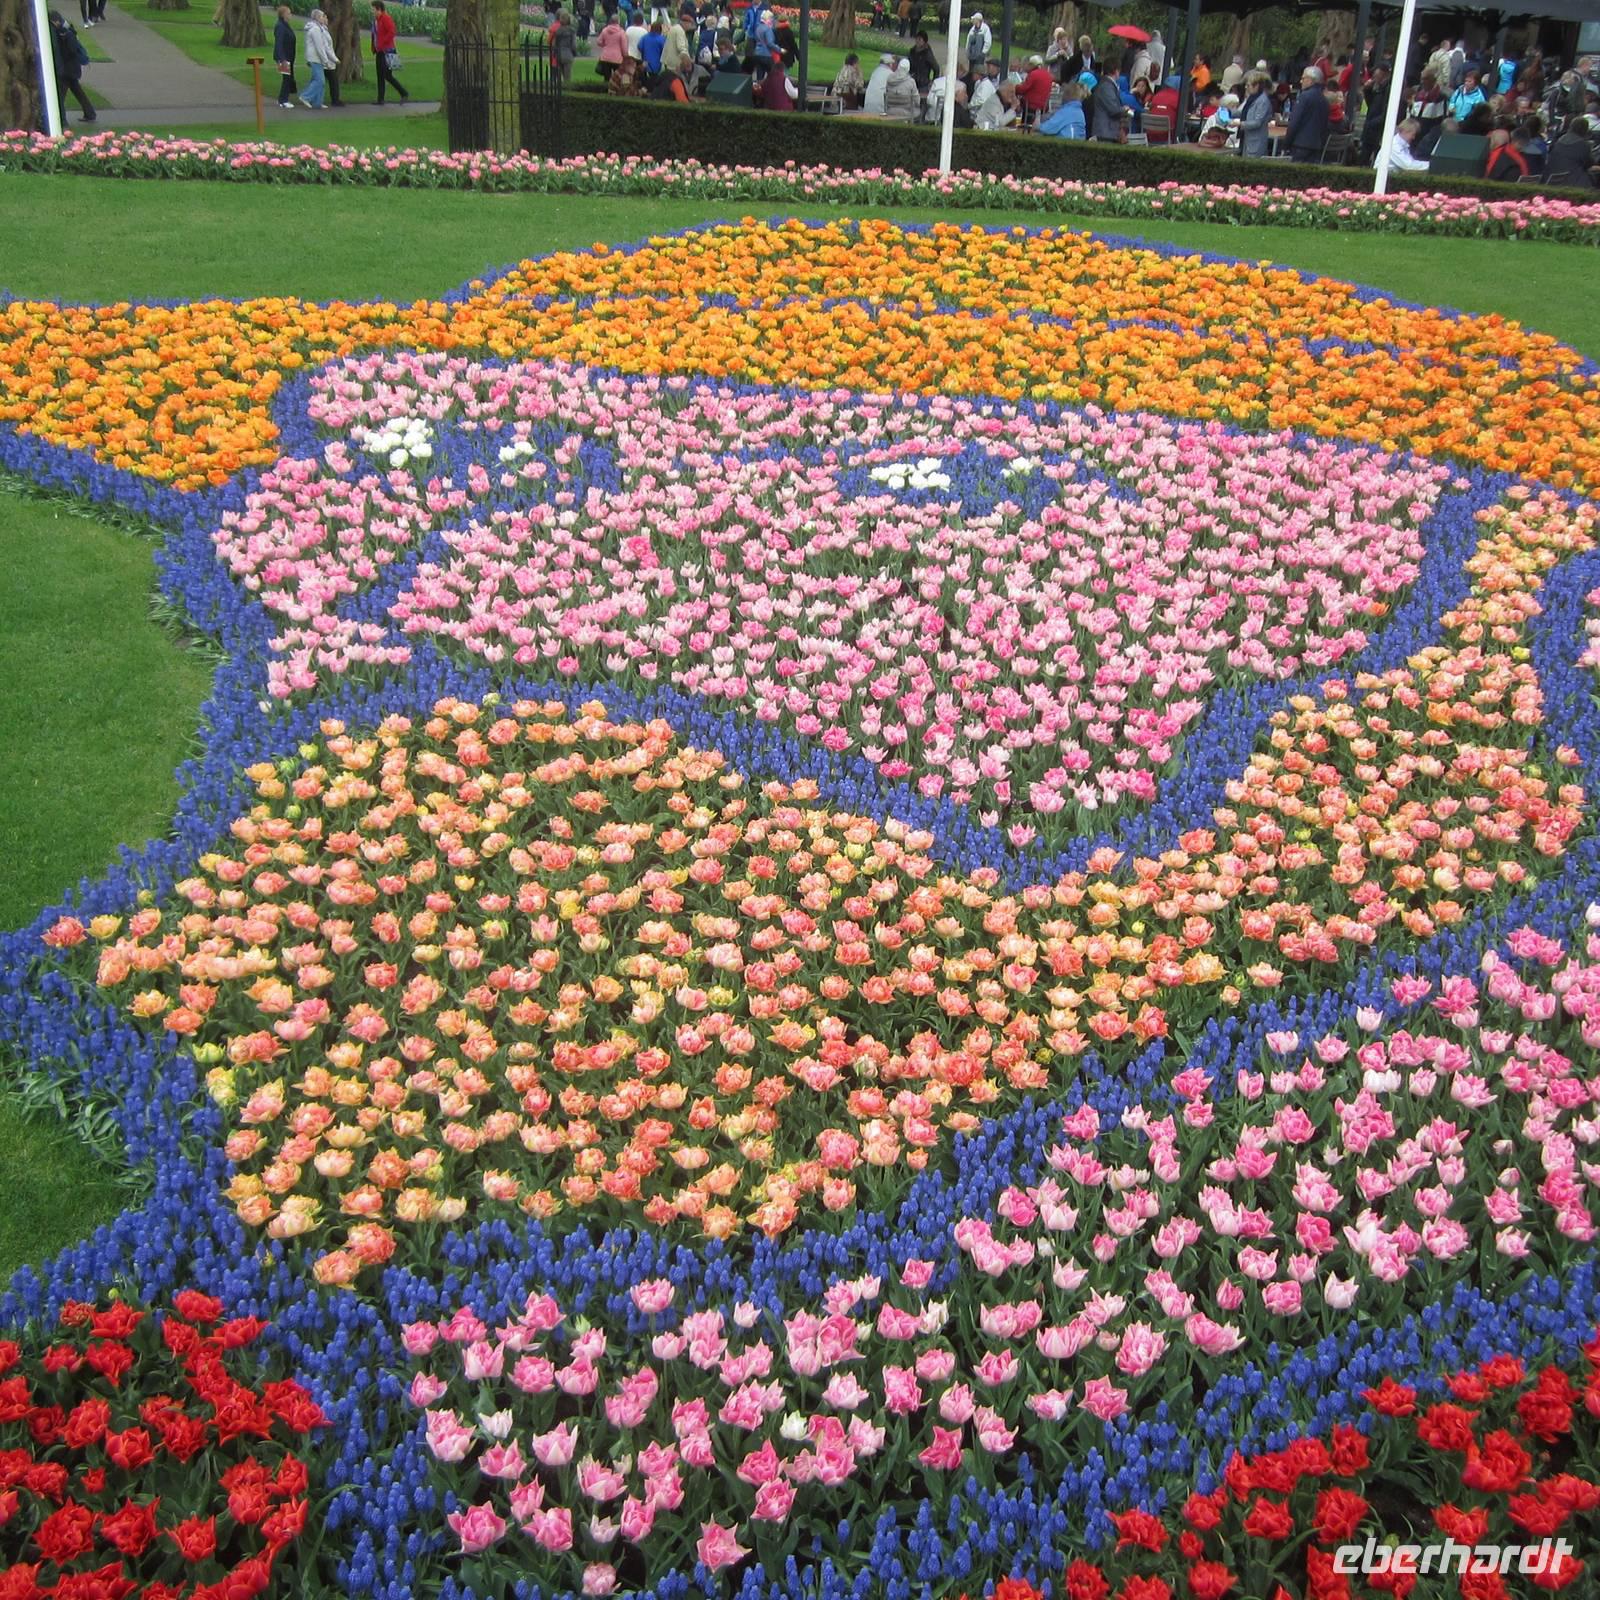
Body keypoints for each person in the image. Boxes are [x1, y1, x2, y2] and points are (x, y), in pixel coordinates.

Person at [46, 10, 94, 122]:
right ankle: (90, 113)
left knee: (61, 95)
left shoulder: (65, 33)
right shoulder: (66, 31)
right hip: (71, 68)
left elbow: (71, 50)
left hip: (68, 69)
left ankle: (62, 120)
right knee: (77, 91)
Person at [1286, 63, 1329, 160]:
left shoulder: (1304, 97)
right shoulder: (1324, 100)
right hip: (1316, 145)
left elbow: (1294, 122)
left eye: (1303, 78)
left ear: (1310, 80)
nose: (1301, 81)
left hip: (1300, 144)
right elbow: (1324, 125)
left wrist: (1286, 143)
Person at [1546, 116, 1599, 189]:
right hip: (1575, 181)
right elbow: (1589, 164)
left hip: (1552, 178)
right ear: (1585, 129)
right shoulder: (1583, 144)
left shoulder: (1559, 140)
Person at [370, 1, 408, 103]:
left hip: (387, 50)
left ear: (379, 9)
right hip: (379, 51)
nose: (372, 11)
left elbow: (392, 32)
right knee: (380, 75)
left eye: (373, 9)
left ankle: (404, 93)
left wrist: (382, 44)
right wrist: (374, 46)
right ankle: (380, 99)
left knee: (387, 75)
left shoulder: (385, 18)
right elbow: (374, 34)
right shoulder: (376, 20)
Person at [302, 8, 337, 106]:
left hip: (317, 58)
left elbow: (324, 46)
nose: (324, 18)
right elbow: (320, 47)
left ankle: (317, 102)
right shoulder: (315, 29)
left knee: (318, 80)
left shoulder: (319, 29)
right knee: (320, 81)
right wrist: (326, 61)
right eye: (322, 16)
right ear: (317, 18)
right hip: (315, 58)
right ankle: (305, 96)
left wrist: (333, 59)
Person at [271, 5, 299, 108]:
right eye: (288, 13)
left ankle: (282, 99)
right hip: (283, 57)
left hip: (288, 56)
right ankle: (283, 100)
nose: (290, 15)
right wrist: (282, 59)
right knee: (286, 78)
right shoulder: (280, 26)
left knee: (288, 77)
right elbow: (279, 43)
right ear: (283, 15)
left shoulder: (285, 25)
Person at [1238, 69, 1272, 156]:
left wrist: (1239, 124)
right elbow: (1243, 113)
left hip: (1256, 143)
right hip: (1246, 139)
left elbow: (1257, 122)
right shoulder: (1251, 98)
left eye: (1248, 85)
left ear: (1256, 86)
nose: (1246, 87)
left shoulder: (1262, 101)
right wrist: (1229, 111)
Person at [1090, 68, 1125, 139]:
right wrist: (1125, 110)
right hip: (1106, 131)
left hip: (1106, 130)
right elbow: (1113, 109)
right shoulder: (1107, 86)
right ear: (1116, 71)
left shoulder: (1104, 84)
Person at [1017, 54, 1053, 121]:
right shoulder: (1048, 75)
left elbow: (1023, 89)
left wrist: (1015, 87)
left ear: (1032, 65)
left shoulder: (1033, 74)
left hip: (1031, 106)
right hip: (1044, 107)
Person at [596, 11, 627, 76]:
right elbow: (624, 47)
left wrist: (605, 45)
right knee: (617, 78)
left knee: (606, 78)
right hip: (617, 58)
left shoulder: (605, 30)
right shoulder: (621, 32)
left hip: (605, 57)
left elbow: (599, 42)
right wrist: (625, 56)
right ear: (618, 21)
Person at [550, 10, 578, 82]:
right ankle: (567, 90)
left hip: (559, 55)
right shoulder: (572, 31)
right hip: (568, 54)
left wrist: (554, 54)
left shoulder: (558, 31)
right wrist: (574, 53)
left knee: (561, 75)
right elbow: (573, 45)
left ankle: (561, 89)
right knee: (567, 77)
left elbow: (554, 44)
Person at [908, 31, 936, 100]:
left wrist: (933, 81)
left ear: (924, 41)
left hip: (923, 84)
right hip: (912, 81)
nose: (917, 41)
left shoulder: (927, 53)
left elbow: (936, 68)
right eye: (916, 39)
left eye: (920, 39)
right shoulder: (912, 51)